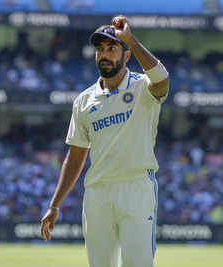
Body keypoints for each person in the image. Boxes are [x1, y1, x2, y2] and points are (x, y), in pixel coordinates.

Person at [40, 15, 169, 267]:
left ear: (127, 55)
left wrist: (130, 39)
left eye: (112, 48)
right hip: (97, 193)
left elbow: (162, 79)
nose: (104, 54)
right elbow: (76, 156)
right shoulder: (84, 101)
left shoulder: (142, 87)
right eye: (100, 49)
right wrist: (54, 205)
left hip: (136, 188)